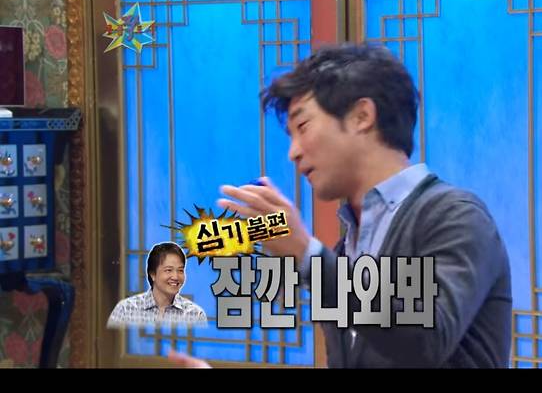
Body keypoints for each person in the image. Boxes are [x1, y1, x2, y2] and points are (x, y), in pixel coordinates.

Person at [170, 42, 511, 368]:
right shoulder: (345, 249)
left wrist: (306, 254)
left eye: (303, 126)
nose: (293, 152)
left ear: (362, 115)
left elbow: (427, 338)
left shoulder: (457, 217)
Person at [108, 241, 207, 328]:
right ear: (153, 274)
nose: (176, 277)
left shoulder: (195, 314)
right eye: (168, 270)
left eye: (180, 270)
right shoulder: (125, 310)